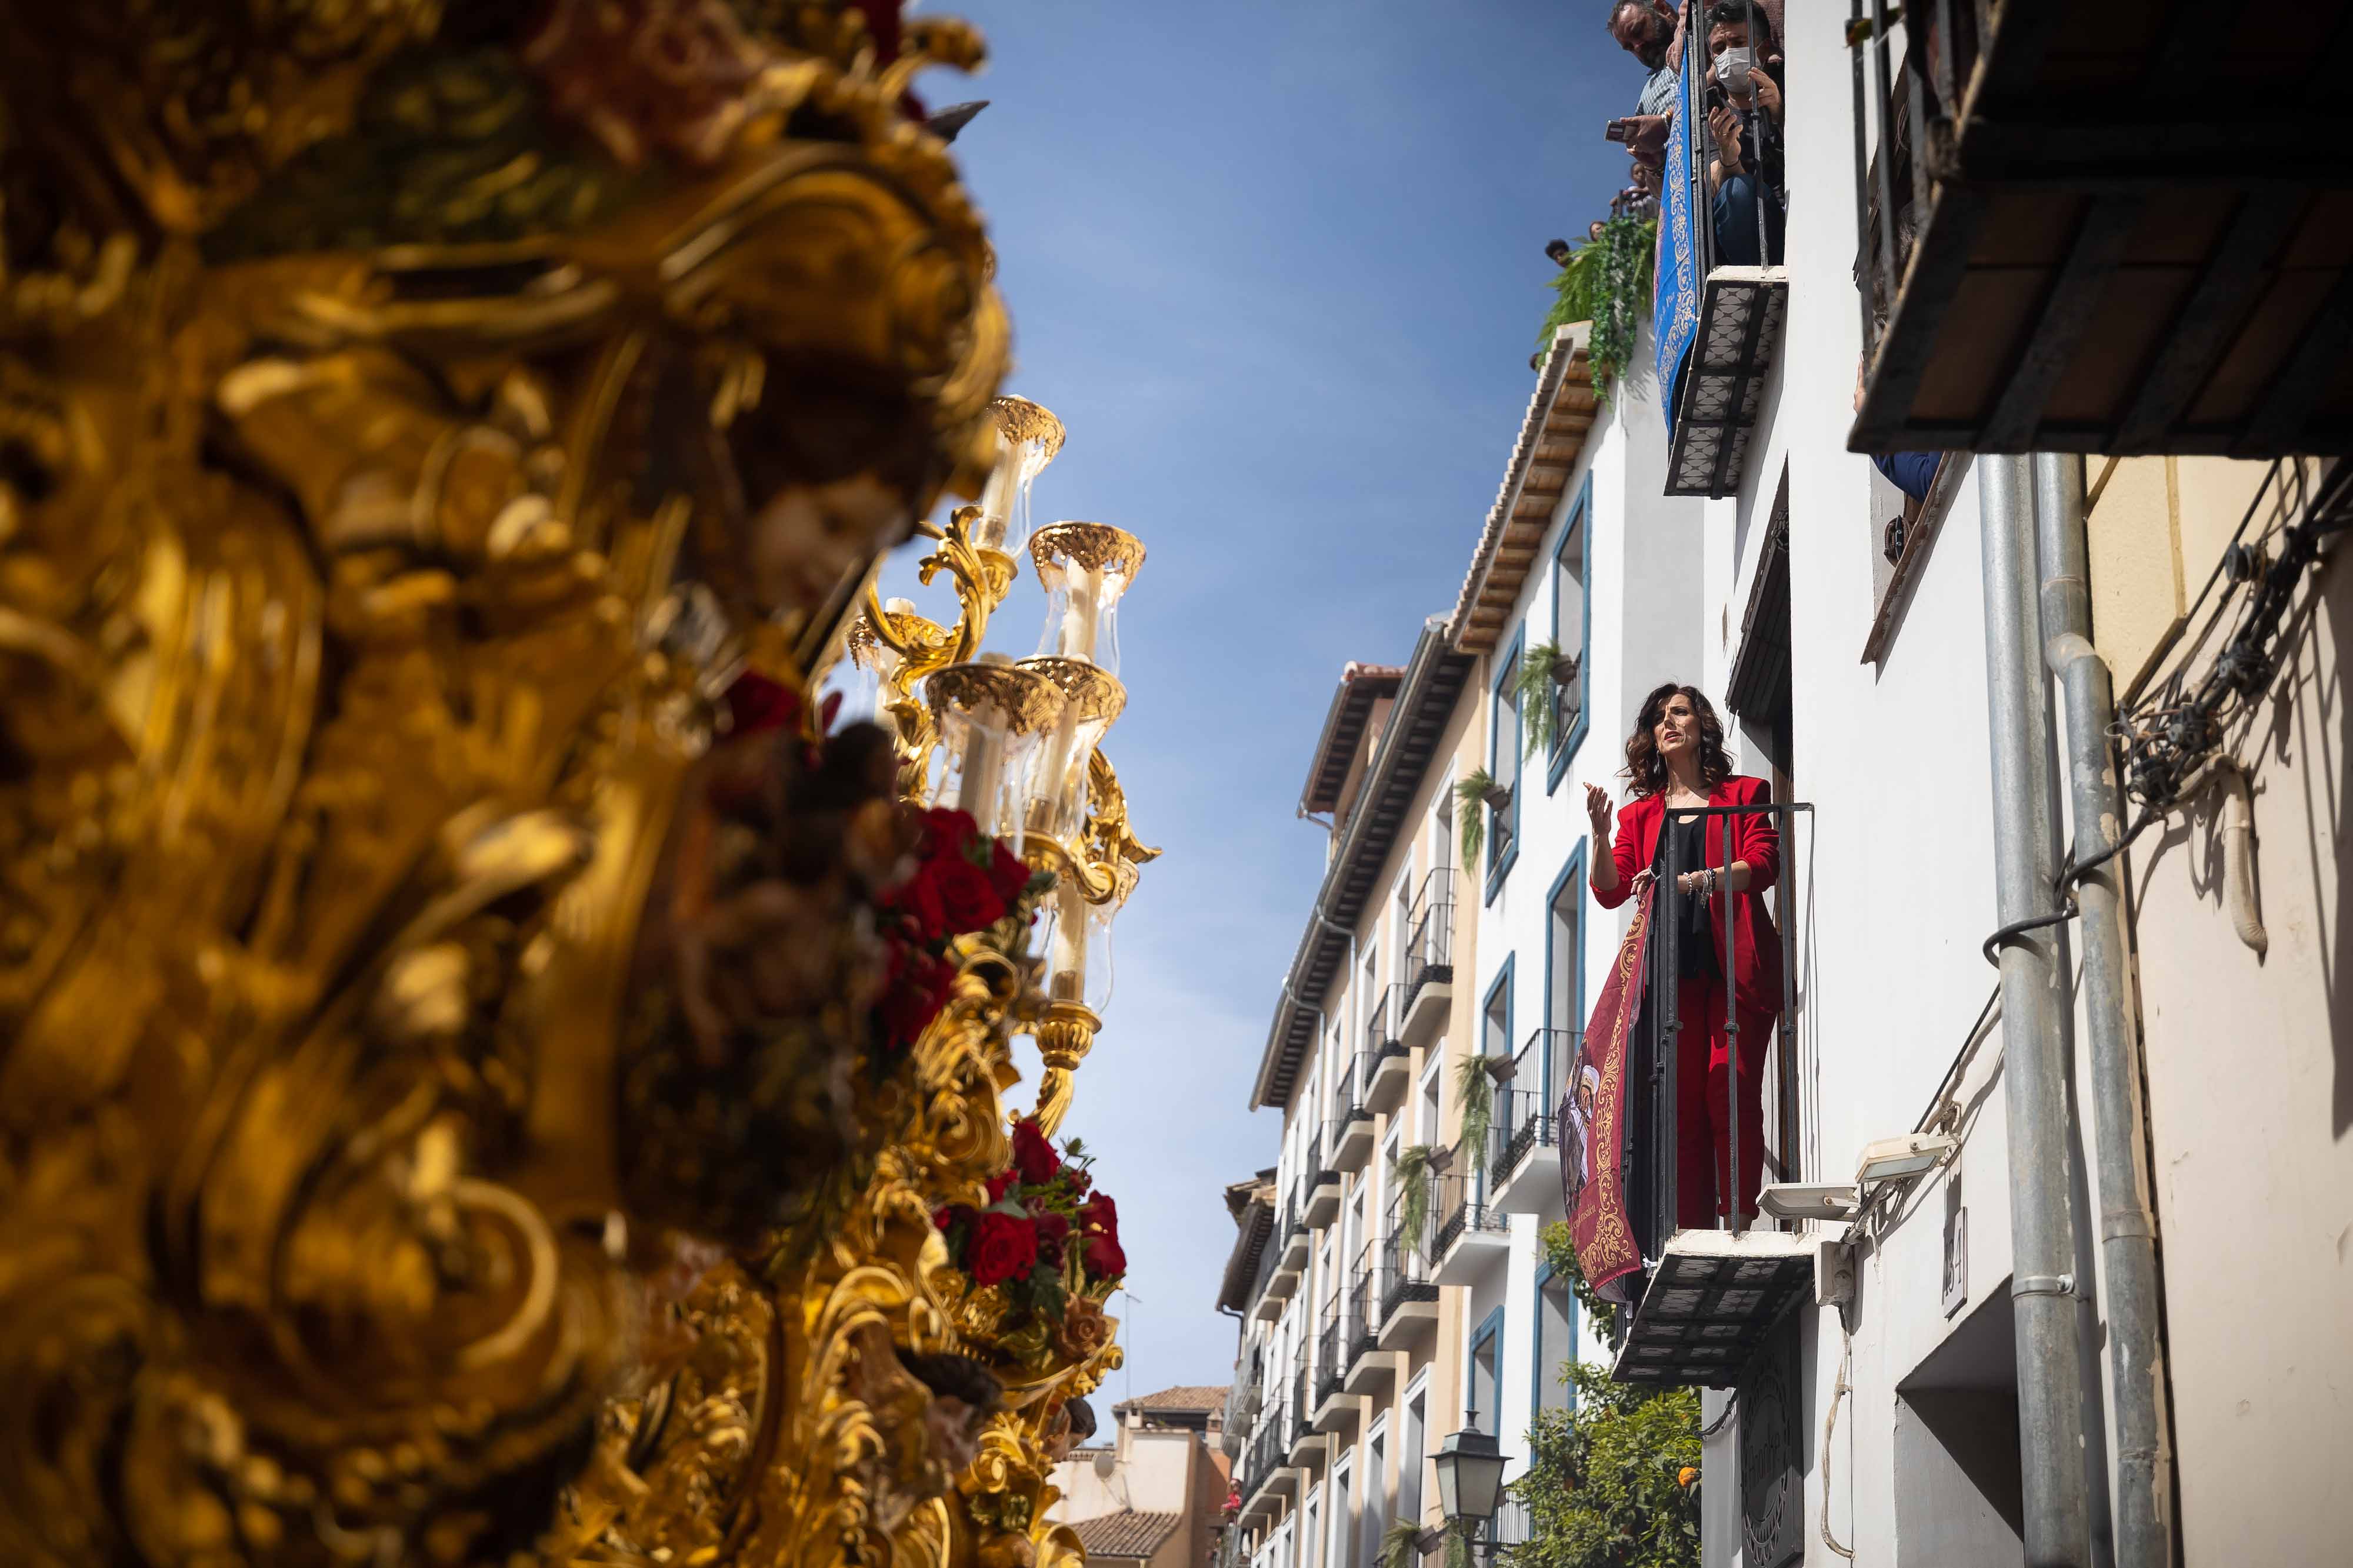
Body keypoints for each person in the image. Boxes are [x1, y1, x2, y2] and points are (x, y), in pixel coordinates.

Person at [1584, 683, 1782, 1229]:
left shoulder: (1745, 794)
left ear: (1702, 727)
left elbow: (1763, 864)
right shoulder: (1641, 817)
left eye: (1680, 712)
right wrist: (1601, 836)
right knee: (1681, 1108)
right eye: (1659, 719)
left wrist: (1702, 879)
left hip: (1735, 973)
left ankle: (1738, 1221)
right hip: (1672, 978)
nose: (1668, 723)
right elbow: (1610, 890)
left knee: (1730, 1090)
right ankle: (1690, 1231)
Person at [1701, 1, 1786, 268]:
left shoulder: (1791, 80)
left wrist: (1780, 115)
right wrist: (1730, 158)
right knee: (1737, 189)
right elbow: (1714, 183)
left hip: (1809, 209)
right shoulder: (1707, 109)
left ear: (1763, 47)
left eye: (1738, 43)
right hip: (1757, 239)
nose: (1728, 54)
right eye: (1719, 48)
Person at [1606, 0, 1679, 172]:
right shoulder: (1646, 98)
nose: (1638, 47)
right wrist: (1655, 166)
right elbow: (1659, 193)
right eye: (1629, 47)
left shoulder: (1710, 36)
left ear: (1662, 8)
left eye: (1638, 31)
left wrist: (1667, 121)